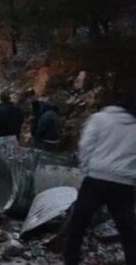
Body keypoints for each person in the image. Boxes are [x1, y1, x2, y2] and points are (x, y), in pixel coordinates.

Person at [64, 93, 136, 265]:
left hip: (96, 179)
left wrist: (86, 169)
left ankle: (71, 260)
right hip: (124, 184)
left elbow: (85, 145)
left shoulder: (98, 119)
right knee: (127, 230)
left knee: (78, 223)